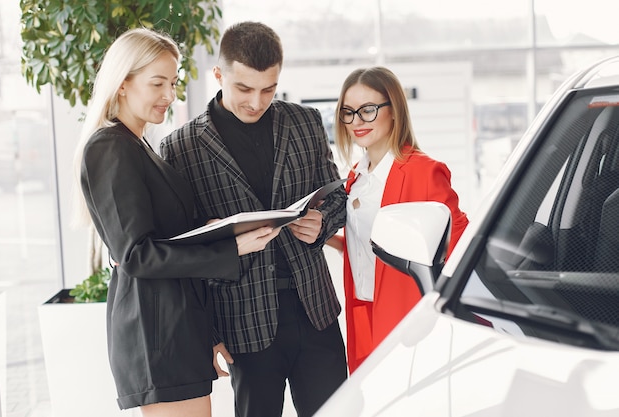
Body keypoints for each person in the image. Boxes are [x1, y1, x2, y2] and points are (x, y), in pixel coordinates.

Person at [71, 27, 279, 417]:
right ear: (122, 84)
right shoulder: (110, 147)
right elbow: (137, 255)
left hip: (177, 327)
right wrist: (228, 247)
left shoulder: (137, 144)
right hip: (158, 335)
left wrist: (215, 228)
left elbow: (169, 238)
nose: (170, 95)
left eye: (173, 82)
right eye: (158, 83)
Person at [160, 21, 348, 417]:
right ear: (218, 75)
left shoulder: (305, 122)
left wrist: (322, 224)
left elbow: (337, 193)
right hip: (242, 323)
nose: (256, 101)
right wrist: (207, 335)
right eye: (244, 88)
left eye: (269, 89)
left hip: (315, 311)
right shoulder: (180, 148)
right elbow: (184, 252)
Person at [327, 66, 469, 374]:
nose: (356, 122)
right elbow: (372, 240)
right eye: (348, 112)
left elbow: (458, 247)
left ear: (394, 109)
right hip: (362, 309)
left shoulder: (423, 171)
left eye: (368, 110)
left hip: (405, 315)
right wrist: (325, 236)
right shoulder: (356, 177)